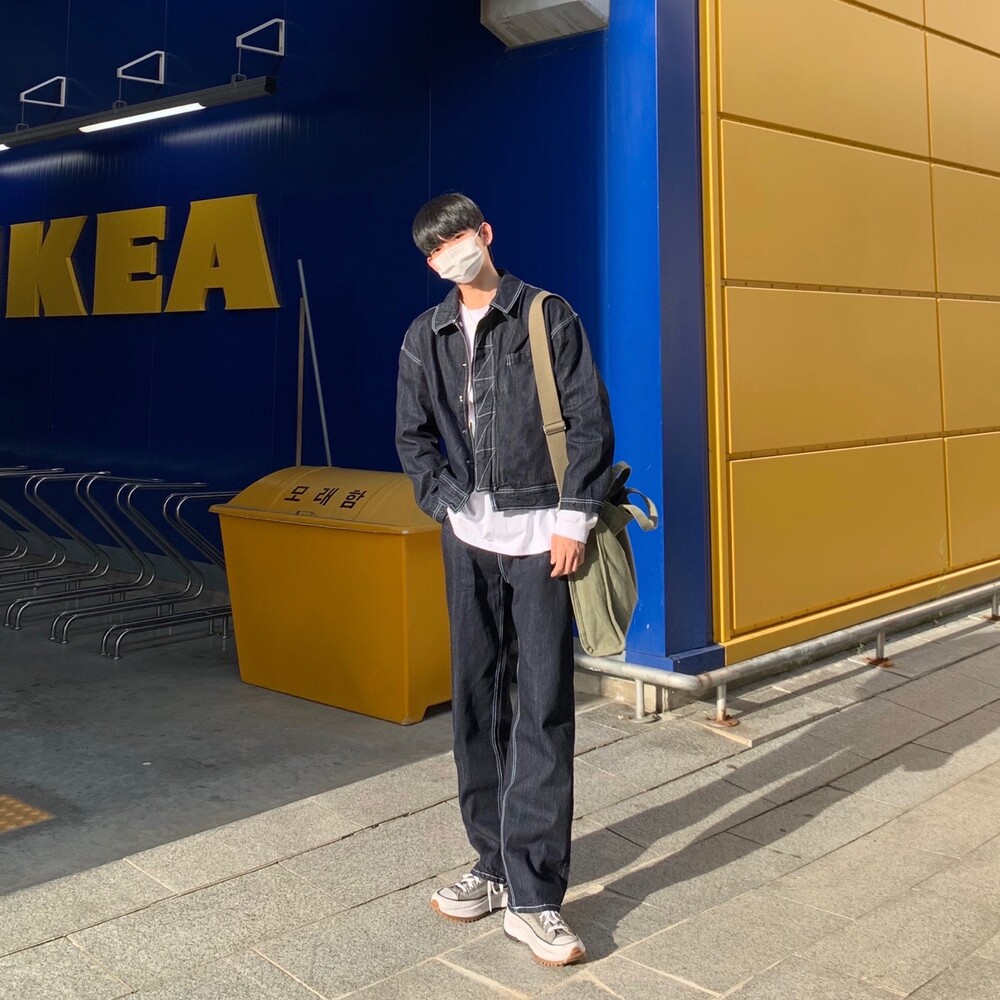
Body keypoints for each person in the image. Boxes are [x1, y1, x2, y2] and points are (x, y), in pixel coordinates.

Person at [395, 192, 614, 967]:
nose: (449, 253)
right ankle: (491, 863)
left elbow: (589, 421)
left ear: (485, 234)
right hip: (468, 542)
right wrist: (446, 502)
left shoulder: (547, 316)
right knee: (476, 702)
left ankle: (535, 894)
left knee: (542, 706)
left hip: (540, 538)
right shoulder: (424, 336)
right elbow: (413, 438)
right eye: (434, 249)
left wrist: (573, 518)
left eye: (457, 237)